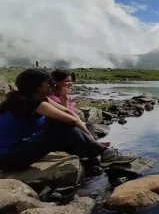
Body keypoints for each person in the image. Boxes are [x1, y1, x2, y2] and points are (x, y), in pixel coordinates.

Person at [0, 69, 136, 171]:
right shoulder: (31, 102)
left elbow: (66, 111)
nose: (52, 85)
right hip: (9, 157)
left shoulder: (35, 98)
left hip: (22, 147)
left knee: (84, 125)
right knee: (60, 124)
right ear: (37, 86)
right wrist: (93, 141)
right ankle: (104, 154)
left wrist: (86, 132)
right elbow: (69, 120)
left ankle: (93, 154)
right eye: (48, 83)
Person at [48, 69, 98, 140]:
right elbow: (64, 117)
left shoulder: (66, 95)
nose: (70, 83)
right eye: (67, 81)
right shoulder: (52, 98)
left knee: (89, 124)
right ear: (57, 82)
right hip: (63, 127)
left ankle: (92, 141)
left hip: (73, 122)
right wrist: (64, 100)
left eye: (71, 81)